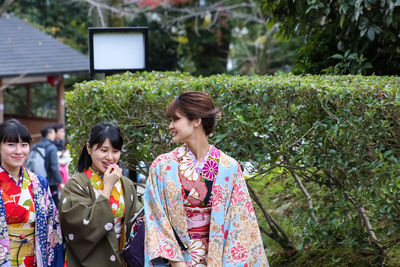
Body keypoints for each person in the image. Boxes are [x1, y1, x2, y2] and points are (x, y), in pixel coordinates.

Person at [144, 91, 268, 266]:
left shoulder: (229, 168)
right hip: (177, 260)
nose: (171, 126)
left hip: (217, 257)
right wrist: (176, 261)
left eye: (176, 119)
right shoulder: (162, 166)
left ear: (196, 120)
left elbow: (241, 224)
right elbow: (155, 217)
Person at [59, 122, 141, 267]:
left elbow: (137, 217)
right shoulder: (76, 184)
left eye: (115, 151)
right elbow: (82, 230)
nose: (110, 157)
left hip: (121, 258)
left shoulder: (126, 184)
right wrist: (107, 188)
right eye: (103, 150)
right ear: (89, 148)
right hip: (91, 259)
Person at [0, 119, 63, 267]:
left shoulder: (39, 183)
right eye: (11, 144)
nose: (18, 151)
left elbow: (52, 225)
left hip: (35, 261)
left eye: (24, 145)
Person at [30, 126, 62, 207]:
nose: (54, 135)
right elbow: (54, 167)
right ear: (49, 134)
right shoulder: (52, 148)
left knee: (39, 204)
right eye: (54, 133)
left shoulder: (35, 146)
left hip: (36, 180)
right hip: (50, 182)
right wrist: (60, 181)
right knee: (53, 205)